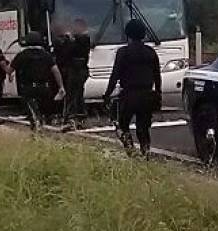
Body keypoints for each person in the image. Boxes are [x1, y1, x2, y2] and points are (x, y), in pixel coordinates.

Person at [103, 19, 162, 158]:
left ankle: (130, 148)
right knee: (143, 126)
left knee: (122, 124)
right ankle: (146, 151)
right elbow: (157, 75)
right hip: (147, 94)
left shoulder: (123, 52)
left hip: (129, 94)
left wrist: (107, 94)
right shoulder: (150, 52)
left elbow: (115, 75)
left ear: (128, 34)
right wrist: (158, 92)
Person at [4, 31, 65, 131]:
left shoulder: (22, 55)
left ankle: (36, 129)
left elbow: (9, 70)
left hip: (28, 88)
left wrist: (4, 65)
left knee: (33, 114)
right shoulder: (46, 55)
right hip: (44, 88)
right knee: (44, 112)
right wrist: (61, 86)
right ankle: (44, 126)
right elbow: (55, 71)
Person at [63, 18, 91, 129]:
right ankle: (79, 117)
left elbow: (70, 51)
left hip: (77, 69)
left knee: (73, 93)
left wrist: (69, 40)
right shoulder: (82, 39)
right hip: (80, 69)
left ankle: (72, 117)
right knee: (77, 93)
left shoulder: (83, 39)